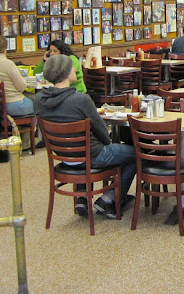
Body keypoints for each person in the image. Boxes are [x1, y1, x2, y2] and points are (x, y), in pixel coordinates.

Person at [34, 54, 137, 219]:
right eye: (71, 67)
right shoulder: (81, 100)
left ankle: (81, 198)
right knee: (136, 154)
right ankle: (108, 199)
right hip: (91, 156)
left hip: (62, 155)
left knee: (80, 144)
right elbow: (102, 132)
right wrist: (108, 144)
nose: (75, 69)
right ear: (66, 73)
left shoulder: (39, 99)